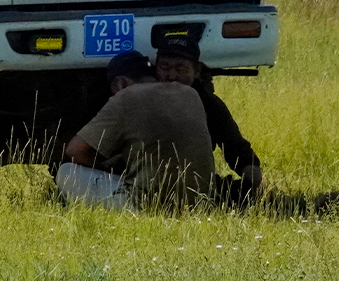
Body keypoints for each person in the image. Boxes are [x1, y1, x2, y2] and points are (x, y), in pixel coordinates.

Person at [57, 52, 215, 210]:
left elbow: (74, 151)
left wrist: (108, 169)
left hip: (148, 206)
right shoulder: (190, 94)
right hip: (199, 204)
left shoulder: (125, 97)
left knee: (67, 172)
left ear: (120, 83)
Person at [153, 37, 264, 202]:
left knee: (240, 195)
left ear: (196, 71)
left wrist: (252, 175)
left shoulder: (209, 105)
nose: (171, 75)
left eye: (181, 69)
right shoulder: (141, 99)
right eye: (164, 67)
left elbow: (235, 147)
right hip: (147, 181)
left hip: (195, 184)